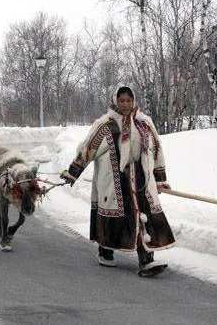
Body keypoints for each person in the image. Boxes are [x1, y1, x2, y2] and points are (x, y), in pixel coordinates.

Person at [60, 85, 175, 277]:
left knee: (142, 213)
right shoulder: (105, 124)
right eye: (121, 101)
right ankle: (105, 250)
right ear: (115, 101)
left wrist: (160, 179)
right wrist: (73, 172)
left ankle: (146, 259)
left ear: (134, 101)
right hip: (113, 180)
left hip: (140, 179)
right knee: (115, 215)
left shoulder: (144, 123)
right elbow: (88, 149)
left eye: (129, 100)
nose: (125, 104)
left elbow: (156, 150)